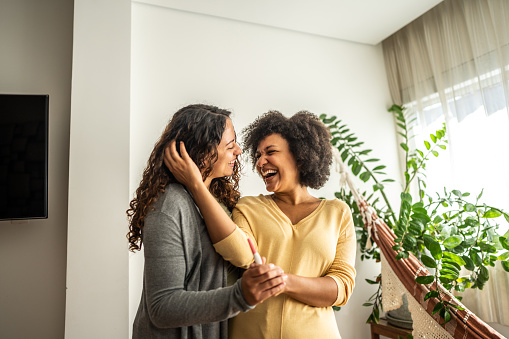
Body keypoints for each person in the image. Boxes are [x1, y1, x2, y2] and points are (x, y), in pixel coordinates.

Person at [165, 110, 357, 338]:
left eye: (271, 152)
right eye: (257, 155)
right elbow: (239, 253)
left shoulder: (338, 213)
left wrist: (283, 281)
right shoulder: (248, 207)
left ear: (301, 155)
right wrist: (196, 185)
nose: (260, 162)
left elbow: (341, 288)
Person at [127, 104, 286, 339]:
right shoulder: (169, 206)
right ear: (202, 152)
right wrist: (241, 296)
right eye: (230, 145)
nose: (239, 151)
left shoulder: (218, 200)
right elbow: (162, 307)